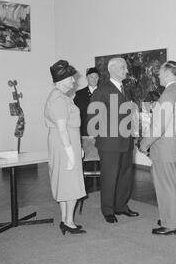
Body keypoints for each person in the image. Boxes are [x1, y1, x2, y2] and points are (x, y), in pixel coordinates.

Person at [139, 61, 176, 235]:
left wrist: (144, 144)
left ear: (168, 73)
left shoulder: (167, 95)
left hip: (165, 151)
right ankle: (173, 219)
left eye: (160, 73)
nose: (158, 76)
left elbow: (158, 128)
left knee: (166, 187)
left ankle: (171, 224)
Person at [87, 57, 139, 223]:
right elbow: (93, 119)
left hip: (126, 141)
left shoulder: (127, 90)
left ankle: (121, 206)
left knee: (125, 175)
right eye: (123, 68)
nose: (127, 71)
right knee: (109, 176)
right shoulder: (101, 91)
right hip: (109, 143)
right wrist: (103, 138)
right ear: (113, 69)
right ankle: (108, 209)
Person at [44, 60, 86, 235]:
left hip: (64, 142)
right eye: (71, 79)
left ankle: (65, 220)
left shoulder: (58, 96)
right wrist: (70, 153)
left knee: (64, 182)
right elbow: (62, 128)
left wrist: (78, 148)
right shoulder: (60, 99)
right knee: (72, 184)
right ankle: (69, 222)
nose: (74, 82)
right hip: (65, 144)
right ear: (61, 80)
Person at [74, 67, 100, 136]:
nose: (94, 79)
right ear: (86, 78)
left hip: (102, 134)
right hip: (85, 133)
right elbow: (75, 115)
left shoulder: (105, 93)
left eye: (96, 77)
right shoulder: (79, 94)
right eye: (91, 77)